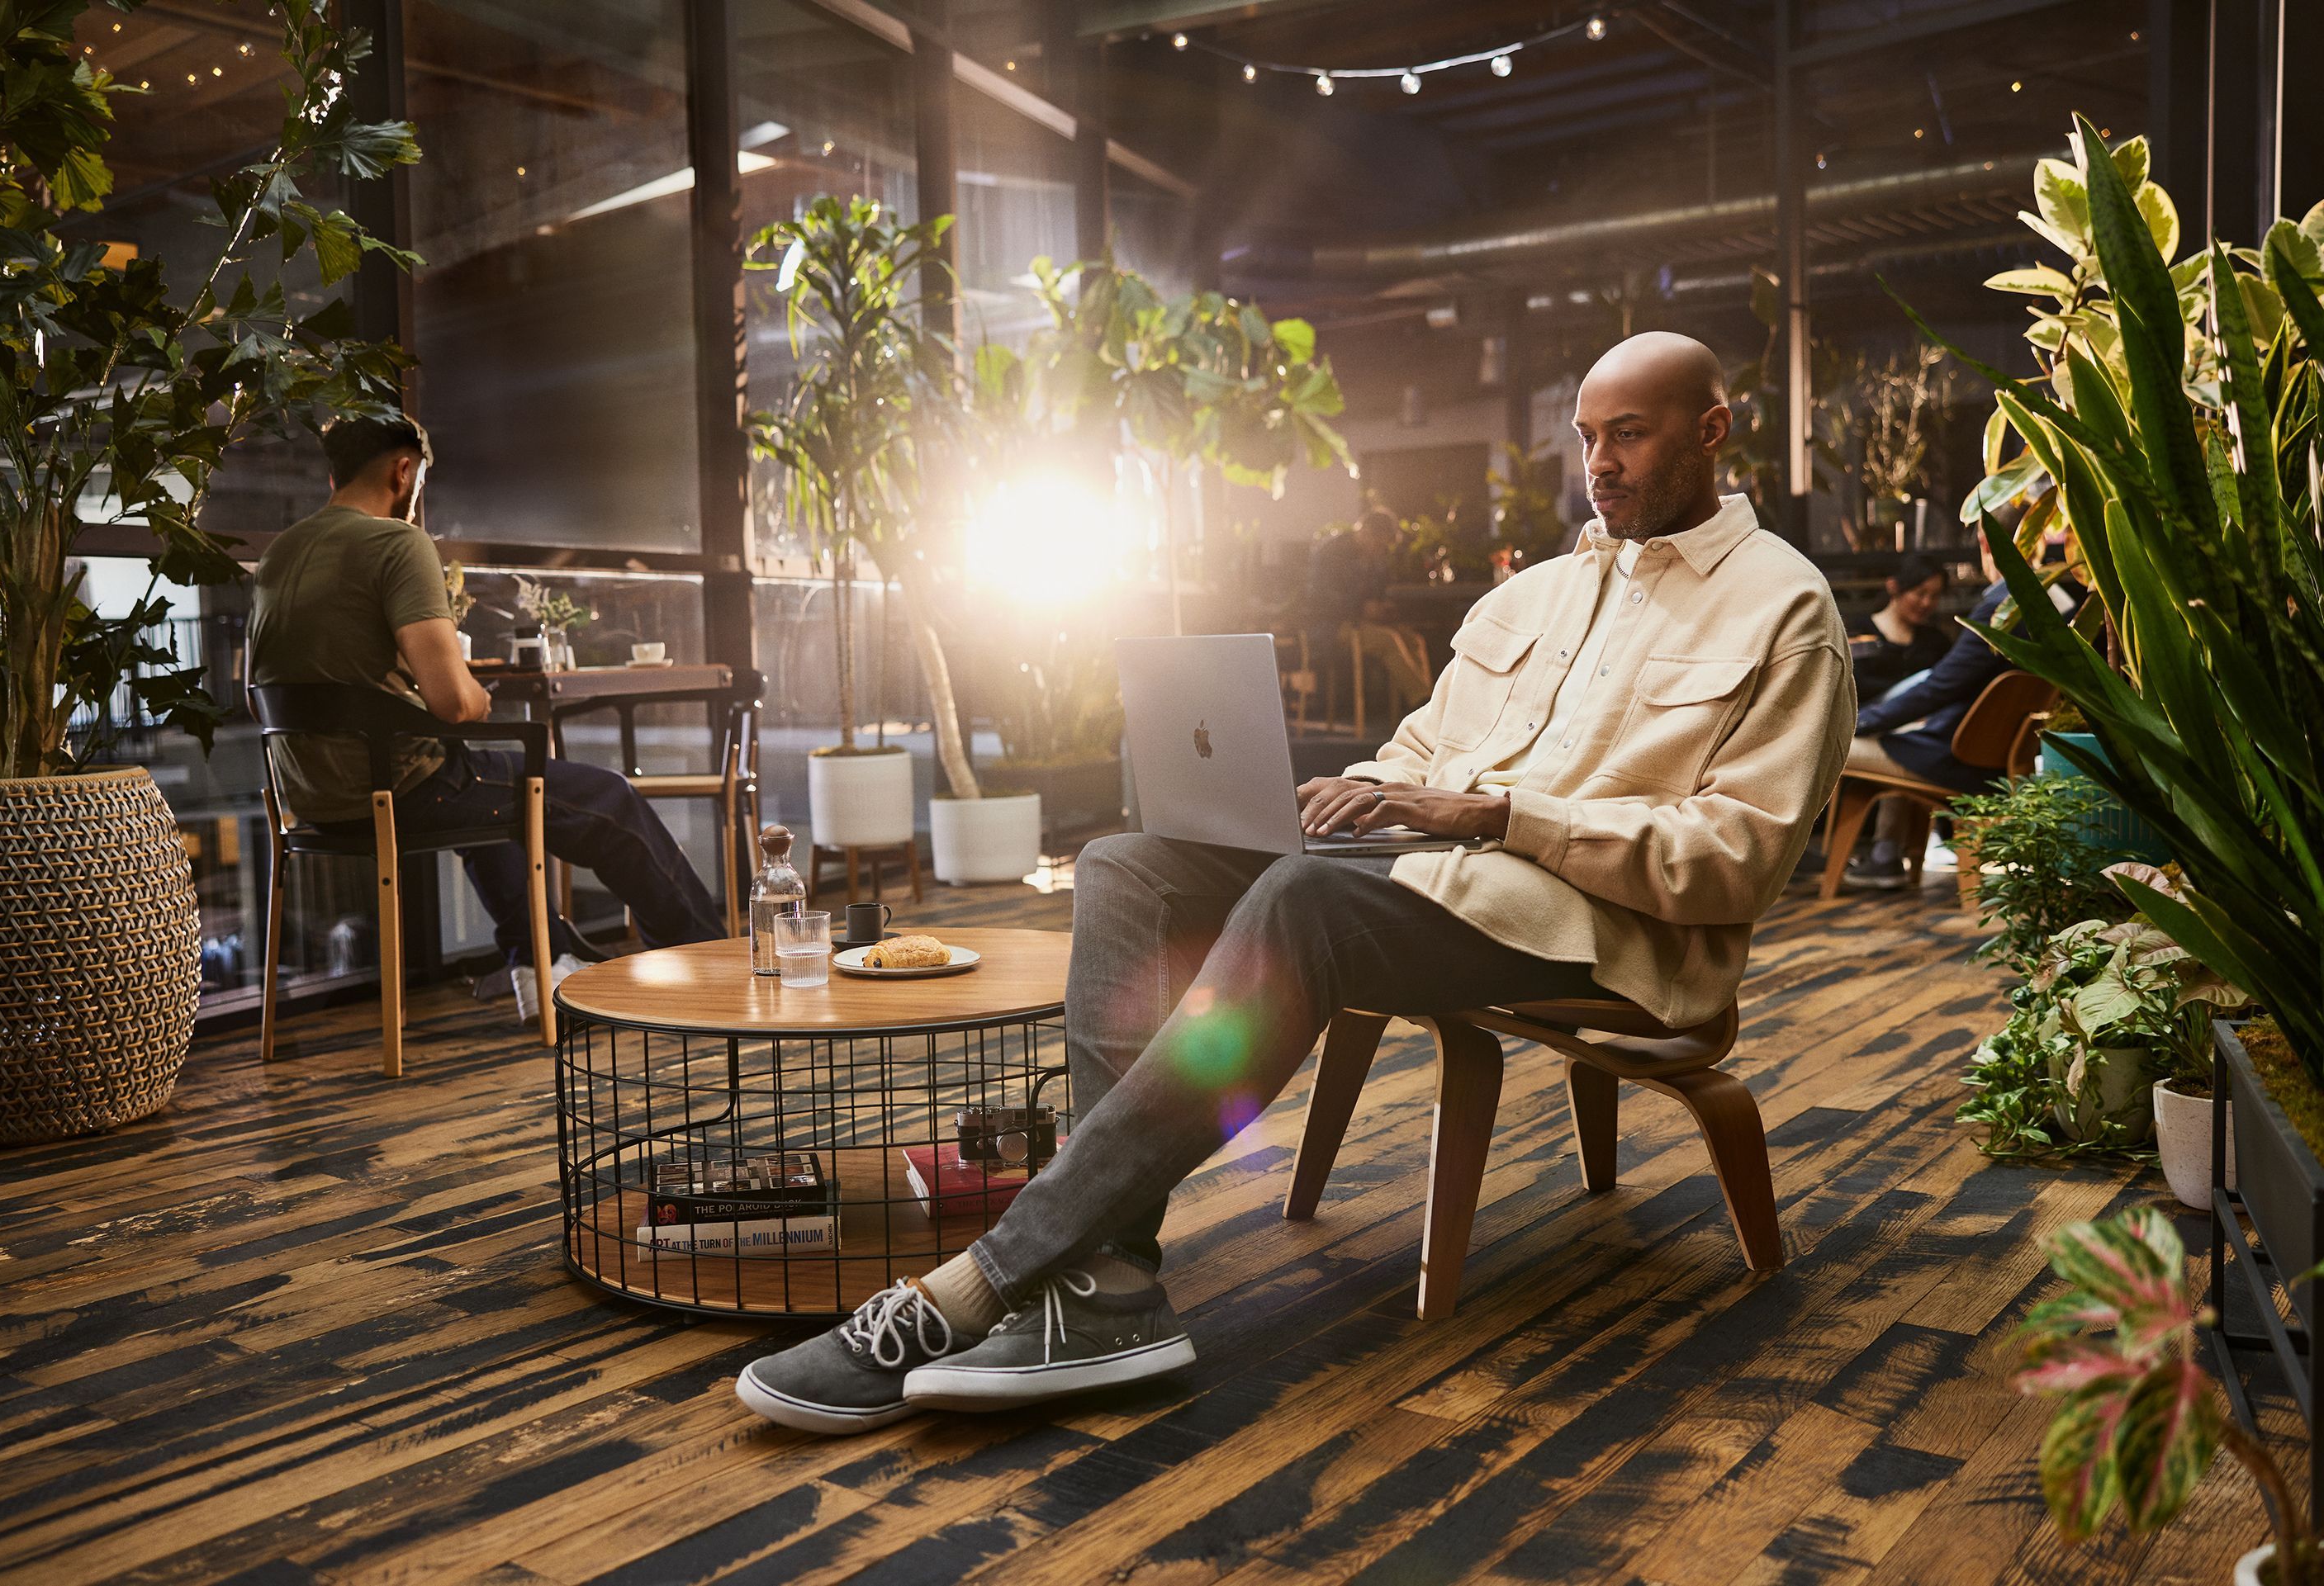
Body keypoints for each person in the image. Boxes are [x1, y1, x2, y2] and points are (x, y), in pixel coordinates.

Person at [734, 332, 1855, 1436]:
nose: (1599, 463)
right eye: (1586, 438)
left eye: (1630, 436)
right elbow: (1420, 751)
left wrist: (1500, 814)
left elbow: (1737, 861)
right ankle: (1110, 1281)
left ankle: (980, 1284)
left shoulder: (1785, 611)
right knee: (1131, 864)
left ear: (1711, 432)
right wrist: (1351, 791)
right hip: (1423, 877)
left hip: (1595, 930)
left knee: (1302, 907)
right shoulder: (1538, 596)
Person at [247, 415, 727, 1020]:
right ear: (404, 471)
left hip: (311, 800)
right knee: (609, 800)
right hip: (404, 789)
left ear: (332, 474)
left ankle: (539, 964)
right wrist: (476, 697)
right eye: (419, 481)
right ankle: (711, 963)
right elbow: (454, 703)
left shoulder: (280, 554)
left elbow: (256, 694)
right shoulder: (396, 544)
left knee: (494, 795)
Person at [1839, 523, 2077, 888]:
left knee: (1832, 745)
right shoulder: (2058, 602)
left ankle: (1802, 858)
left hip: (1956, 754)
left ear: (1985, 541)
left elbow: (1940, 687)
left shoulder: (2002, 606)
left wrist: (1858, 723)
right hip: (1998, 751)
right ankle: (1885, 855)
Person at [1299, 505, 1434, 715]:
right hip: (1331, 625)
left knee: (1413, 639)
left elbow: (1375, 593)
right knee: (1387, 640)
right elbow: (1320, 598)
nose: (1381, 551)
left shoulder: (1375, 558)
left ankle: (1427, 702)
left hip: (1360, 622)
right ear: (1365, 532)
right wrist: (1361, 609)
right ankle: (1424, 706)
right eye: (1379, 544)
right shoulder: (1331, 553)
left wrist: (1382, 608)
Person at [1843, 552, 1951, 708]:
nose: (1927, 603)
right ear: (1893, 586)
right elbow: (1855, 684)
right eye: (1920, 593)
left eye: (1935, 596)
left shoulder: (1936, 640)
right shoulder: (1860, 631)